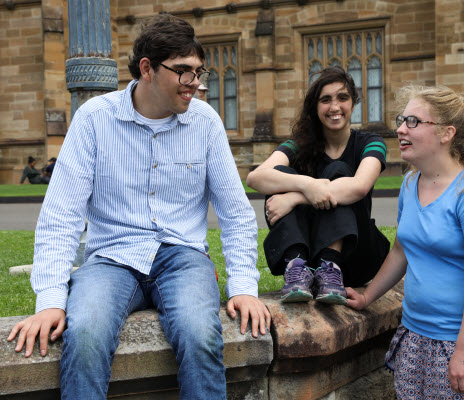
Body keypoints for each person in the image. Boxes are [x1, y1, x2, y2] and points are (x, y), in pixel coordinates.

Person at [7, 14, 270, 400]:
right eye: (183, 72)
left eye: (198, 72)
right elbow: (60, 216)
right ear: (147, 68)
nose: (195, 84)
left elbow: (236, 213)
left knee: (200, 334)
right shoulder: (94, 120)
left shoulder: (206, 123)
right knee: (85, 333)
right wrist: (49, 300)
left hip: (182, 256)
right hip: (111, 258)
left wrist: (244, 286)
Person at [348, 85, 464, 399]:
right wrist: (368, 298)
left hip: (459, 343)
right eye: (402, 120)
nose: (401, 129)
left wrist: (463, 351)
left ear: (446, 133)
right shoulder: (410, 183)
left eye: (414, 122)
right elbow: (402, 250)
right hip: (415, 335)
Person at [246, 66, 389, 305]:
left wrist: (296, 196)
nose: (334, 107)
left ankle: (330, 266)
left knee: (338, 172)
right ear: (315, 107)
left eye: (342, 98)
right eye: (326, 100)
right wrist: (305, 184)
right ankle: (297, 267)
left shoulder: (371, 143)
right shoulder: (299, 146)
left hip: (356, 257)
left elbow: (359, 187)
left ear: (353, 104)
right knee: (279, 174)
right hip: (308, 257)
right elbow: (256, 178)